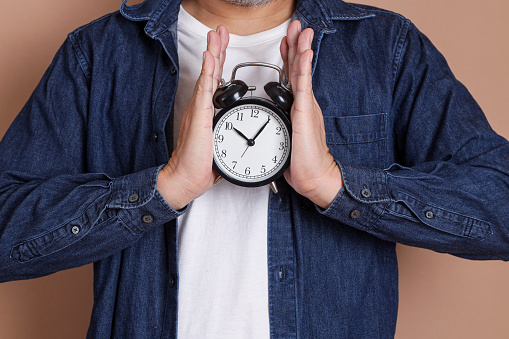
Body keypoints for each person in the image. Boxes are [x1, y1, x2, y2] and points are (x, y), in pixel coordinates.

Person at [1, 0, 508, 337]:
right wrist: (163, 188)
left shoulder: (384, 48)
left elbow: (500, 205)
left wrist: (336, 185)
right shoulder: (100, 53)